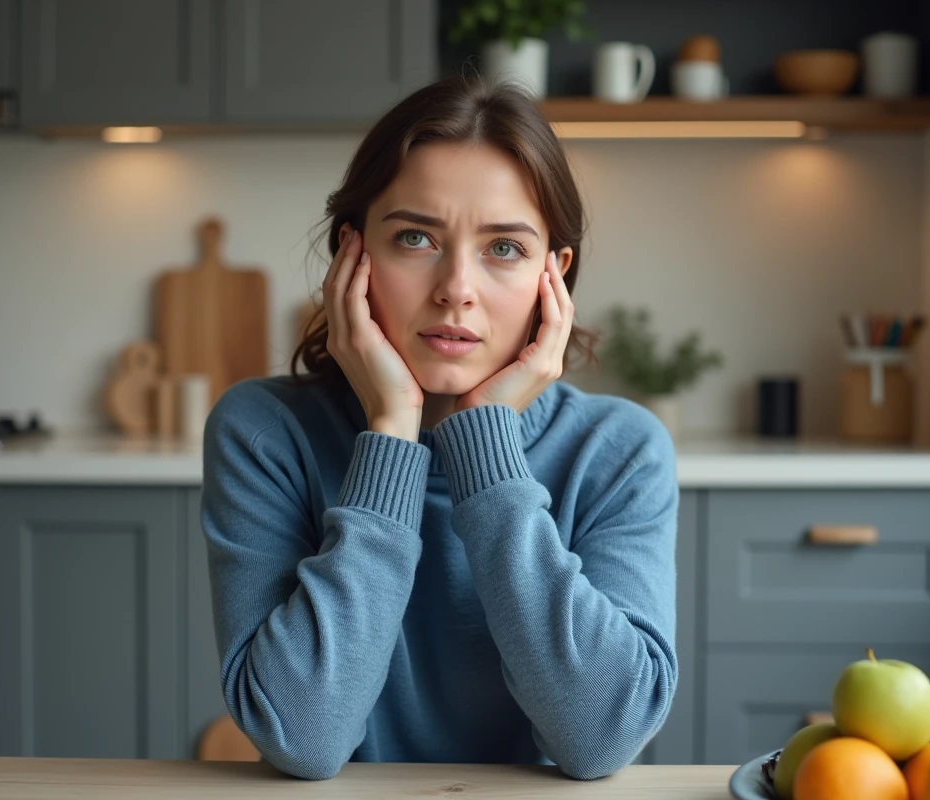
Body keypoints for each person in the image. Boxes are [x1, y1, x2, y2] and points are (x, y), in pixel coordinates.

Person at [201, 74, 678, 781]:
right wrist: (392, 430)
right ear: (352, 254)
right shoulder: (263, 433)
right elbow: (302, 737)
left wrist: (484, 440)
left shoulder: (620, 451)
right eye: (417, 237)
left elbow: (601, 737)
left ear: (556, 274)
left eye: (504, 249)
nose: (457, 287)